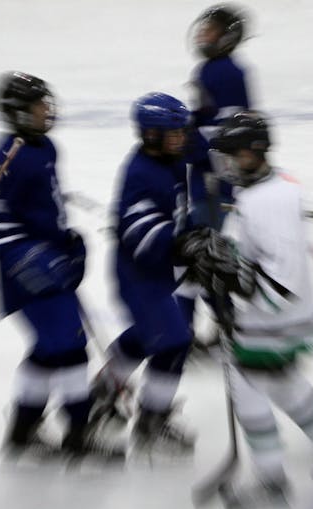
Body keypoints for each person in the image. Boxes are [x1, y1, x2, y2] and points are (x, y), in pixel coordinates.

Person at [196, 111, 313, 509]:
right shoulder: (275, 187)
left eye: (232, 156)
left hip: (269, 320)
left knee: (249, 391)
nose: (226, 167)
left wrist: (232, 276)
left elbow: (279, 274)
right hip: (284, 317)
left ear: (254, 153)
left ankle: (271, 481)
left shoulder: (264, 201)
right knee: (287, 387)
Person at [0, 72, 112, 461]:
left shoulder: (46, 147)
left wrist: (65, 241)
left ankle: (22, 429)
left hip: (51, 268)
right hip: (27, 277)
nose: (47, 111)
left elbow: (43, 207)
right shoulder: (7, 156)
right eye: (38, 106)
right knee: (69, 348)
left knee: (48, 348)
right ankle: (79, 433)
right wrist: (30, 259)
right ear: (18, 113)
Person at [90, 92, 197, 458]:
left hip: (164, 271)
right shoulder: (141, 174)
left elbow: (180, 212)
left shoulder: (170, 162)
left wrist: (196, 234)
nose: (181, 138)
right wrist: (183, 243)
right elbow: (140, 233)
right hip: (140, 275)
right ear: (151, 135)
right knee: (174, 341)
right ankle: (152, 420)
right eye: (174, 133)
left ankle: (104, 386)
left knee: (155, 335)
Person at [186, 3, 252, 230]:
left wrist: (188, 143)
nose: (203, 33)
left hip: (217, 181)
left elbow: (229, 129)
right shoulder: (209, 68)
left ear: (227, 37)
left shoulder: (228, 72)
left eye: (211, 29)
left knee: (208, 248)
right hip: (205, 177)